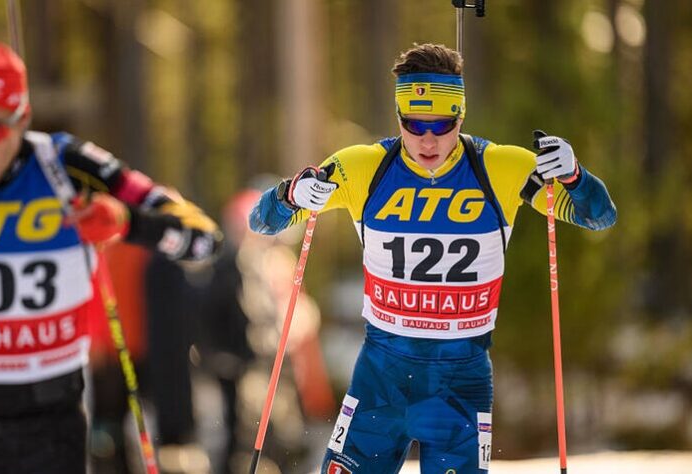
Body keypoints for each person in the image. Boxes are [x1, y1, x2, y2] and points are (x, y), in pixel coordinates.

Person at [248, 43, 616, 474]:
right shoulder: (363, 167)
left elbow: (599, 216)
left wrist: (574, 175)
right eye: (413, 123)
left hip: (460, 380)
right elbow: (262, 222)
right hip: (381, 377)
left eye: (441, 125)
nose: (426, 139)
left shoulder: (499, 167)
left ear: (460, 116)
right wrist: (290, 194)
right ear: (398, 115)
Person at [0, 38, 221, 474]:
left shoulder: (68, 168)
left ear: (22, 118)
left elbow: (203, 238)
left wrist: (127, 220)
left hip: (48, 424)